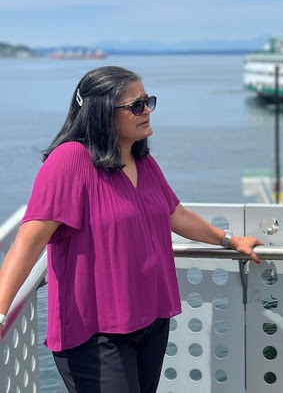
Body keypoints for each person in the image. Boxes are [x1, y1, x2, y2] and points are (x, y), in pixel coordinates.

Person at [0, 66, 263, 392]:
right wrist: (0, 312)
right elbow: (28, 243)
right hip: (95, 333)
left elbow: (175, 214)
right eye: (136, 106)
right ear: (102, 113)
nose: (147, 111)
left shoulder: (143, 161)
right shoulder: (69, 160)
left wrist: (229, 240)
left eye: (148, 101)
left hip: (150, 320)